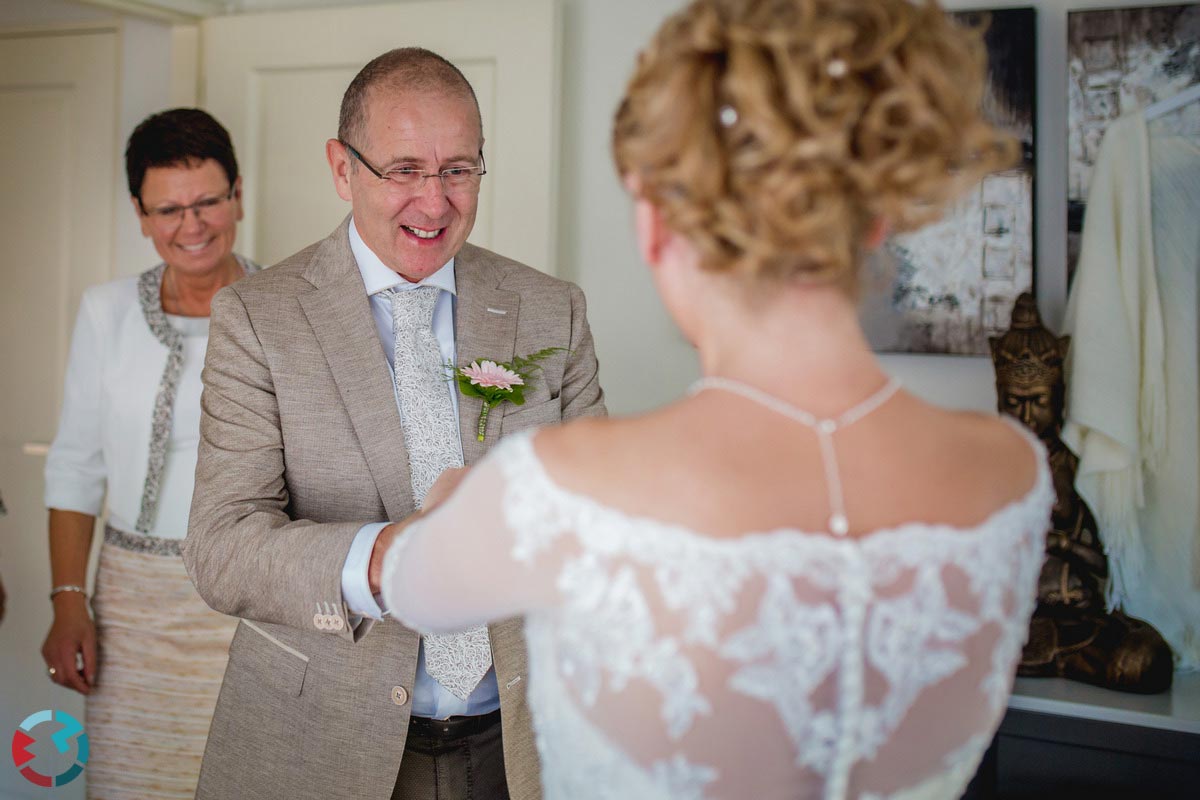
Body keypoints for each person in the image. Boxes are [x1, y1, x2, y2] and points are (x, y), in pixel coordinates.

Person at [379, 1, 1054, 798]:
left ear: (657, 224)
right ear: (872, 223)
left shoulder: (558, 484)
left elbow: (411, 586)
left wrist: (459, 495)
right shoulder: (1010, 471)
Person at [182, 48, 605, 800]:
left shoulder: (552, 309)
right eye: (404, 170)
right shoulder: (258, 318)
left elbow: (595, 513)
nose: (435, 203)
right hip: (321, 744)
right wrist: (385, 559)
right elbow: (221, 549)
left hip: (520, 747)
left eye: (459, 170)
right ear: (343, 169)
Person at [41, 108, 255, 798]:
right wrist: (69, 602)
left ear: (238, 197)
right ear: (139, 213)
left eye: (207, 203)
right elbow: (76, 465)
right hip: (132, 609)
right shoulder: (106, 312)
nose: (191, 227)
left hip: (252, 604)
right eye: (168, 209)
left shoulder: (287, 307)